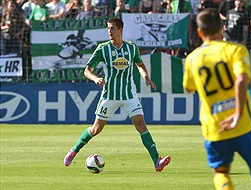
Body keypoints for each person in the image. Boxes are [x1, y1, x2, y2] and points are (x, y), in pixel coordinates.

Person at [183, 8, 251, 190]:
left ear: (199, 32)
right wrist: (237, 113)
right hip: (243, 123)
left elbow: (188, 88)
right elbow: (242, 78)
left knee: (220, 173)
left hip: (214, 127)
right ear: (222, 28)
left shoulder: (192, 59)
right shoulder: (236, 50)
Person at [64, 17, 171, 172]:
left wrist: (146, 77)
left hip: (129, 95)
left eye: (112, 28)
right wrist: (95, 79)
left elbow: (140, 64)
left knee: (141, 125)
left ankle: (157, 160)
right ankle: (73, 151)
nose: (109, 31)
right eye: (108, 28)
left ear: (120, 29)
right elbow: (87, 70)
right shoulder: (103, 48)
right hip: (110, 95)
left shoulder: (131, 48)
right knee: (96, 129)